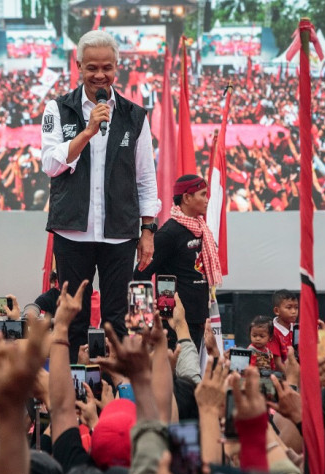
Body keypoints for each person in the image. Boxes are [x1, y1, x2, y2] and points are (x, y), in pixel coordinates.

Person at [41, 30, 158, 361]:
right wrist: (88, 131)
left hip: (119, 233)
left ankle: (114, 394)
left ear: (117, 68)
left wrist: (147, 230)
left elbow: (145, 178)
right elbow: (49, 164)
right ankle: (74, 394)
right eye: (92, 67)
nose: (99, 75)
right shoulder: (58, 108)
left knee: (117, 323)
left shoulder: (134, 116)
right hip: (72, 231)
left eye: (106, 67)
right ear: (79, 66)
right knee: (72, 320)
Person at [134, 175, 222, 350]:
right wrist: (142, 322)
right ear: (187, 198)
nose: (207, 200)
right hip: (175, 323)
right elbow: (140, 274)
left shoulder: (201, 230)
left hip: (198, 319)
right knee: (177, 376)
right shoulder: (169, 234)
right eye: (203, 194)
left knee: (191, 375)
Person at [272, 289, 298, 361]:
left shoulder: (297, 328)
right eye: (289, 308)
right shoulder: (272, 332)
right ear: (277, 311)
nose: (294, 311)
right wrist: (292, 373)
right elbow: (278, 363)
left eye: (296, 307)